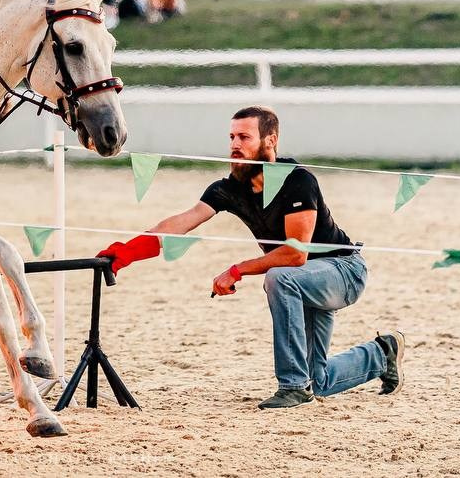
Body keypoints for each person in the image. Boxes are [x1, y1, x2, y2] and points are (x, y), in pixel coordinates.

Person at [97, 106, 404, 409]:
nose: (234, 144)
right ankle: (383, 353)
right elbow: (181, 223)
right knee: (318, 381)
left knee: (280, 278)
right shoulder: (228, 189)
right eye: (231, 137)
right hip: (302, 282)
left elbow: (295, 254)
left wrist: (238, 269)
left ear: (270, 141)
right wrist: (126, 252)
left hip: (343, 271)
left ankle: (293, 387)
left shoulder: (298, 180)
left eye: (244, 137)